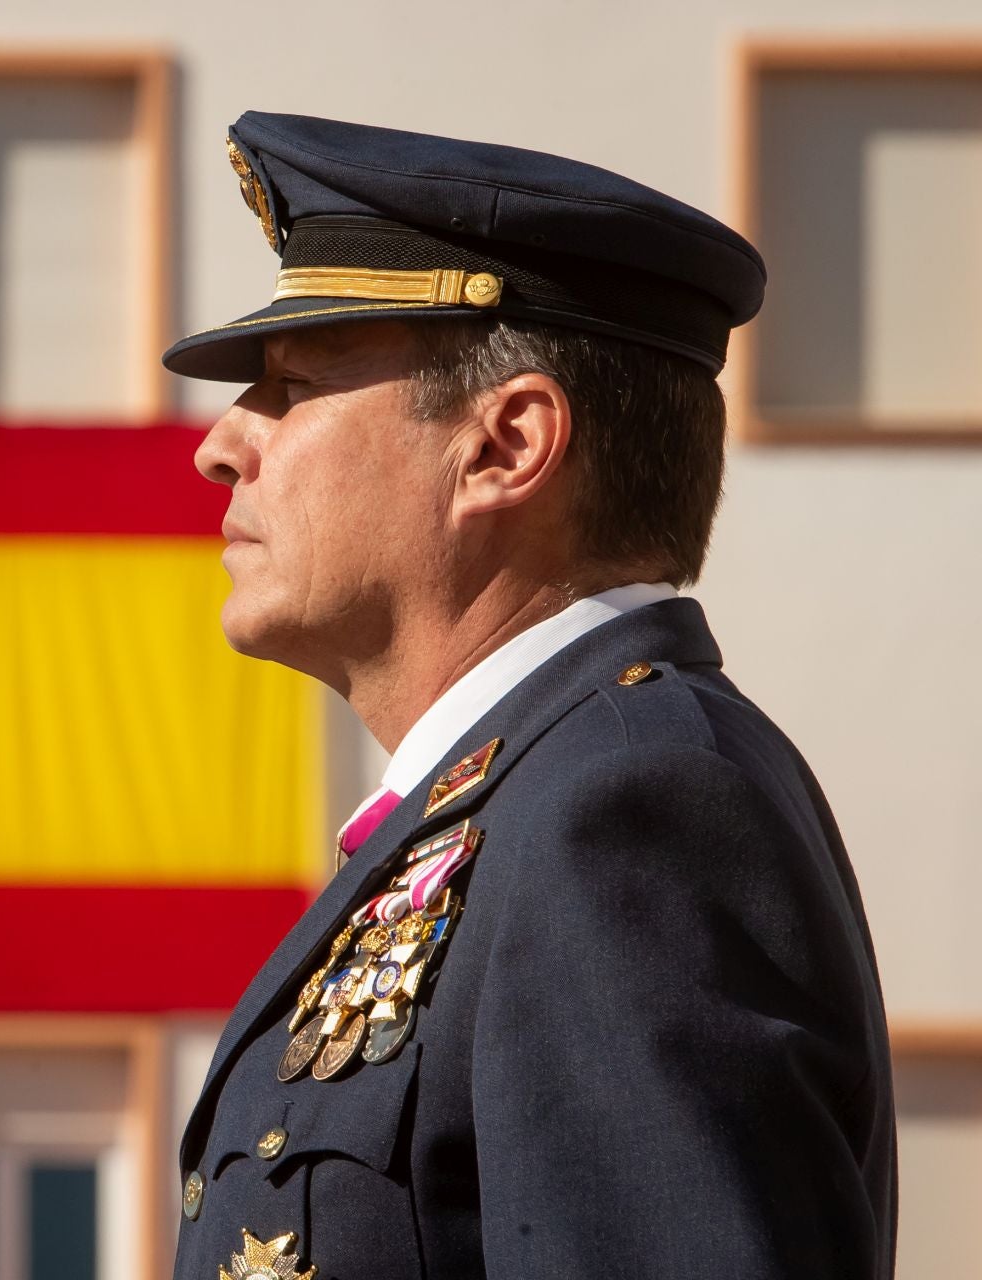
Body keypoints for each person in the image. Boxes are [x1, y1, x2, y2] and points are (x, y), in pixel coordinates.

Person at [166, 113, 896, 1280]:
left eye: (294, 385)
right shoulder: (519, 804)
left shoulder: (627, 810)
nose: (220, 444)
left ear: (507, 446)